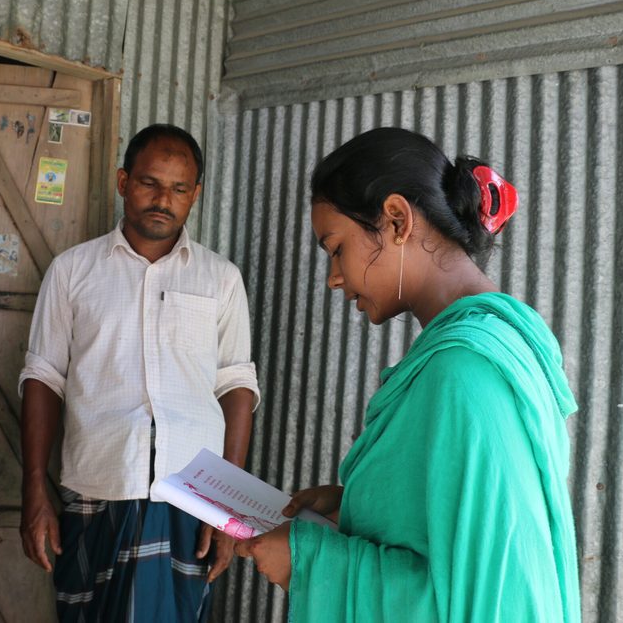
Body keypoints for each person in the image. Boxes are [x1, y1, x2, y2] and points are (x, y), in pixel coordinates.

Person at [236, 127, 580, 621]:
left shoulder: (466, 373)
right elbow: (454, 530)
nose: (334, 277)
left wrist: (311, 562)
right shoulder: (475, 350)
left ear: (397, 220)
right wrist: (357, 507)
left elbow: (492, 602)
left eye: (336, 248)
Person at [18, 124, 261, 622]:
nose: (162, 200)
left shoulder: (220, 278)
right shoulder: (73, 271)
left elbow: (236, 385)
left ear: (195, 195)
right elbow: (43, 378)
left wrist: (228, 504)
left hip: (193, 496)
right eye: (150, 183)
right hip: (95, 485)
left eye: (178, 189)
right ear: (123, 181)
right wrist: (34, 486)